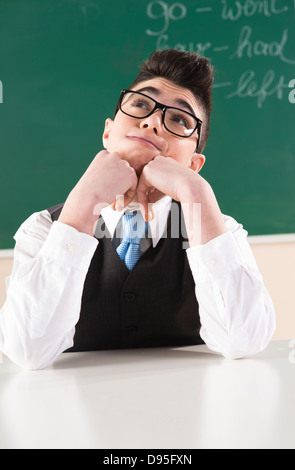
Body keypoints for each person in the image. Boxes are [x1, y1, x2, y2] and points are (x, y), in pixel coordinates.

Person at [0, 50, 275, 369]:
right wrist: (84, 201)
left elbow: (243, 342)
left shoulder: (219, 230)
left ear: (193, 164)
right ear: (107, 132)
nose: (153, 121)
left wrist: (196, 193)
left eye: (179, 119)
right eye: (142, 104)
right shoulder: (44, 228)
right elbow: (25, 351)